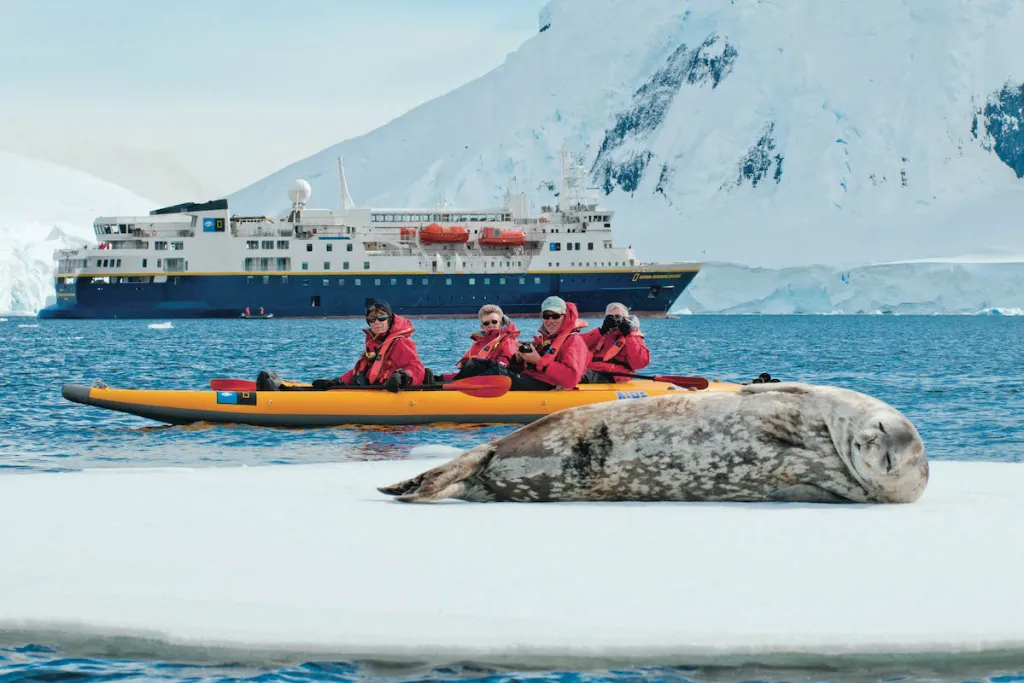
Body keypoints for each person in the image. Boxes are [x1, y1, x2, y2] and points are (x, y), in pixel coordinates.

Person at [337, 299, 425, 392]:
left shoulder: (400, 342)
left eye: (382, 318)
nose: (377, 323)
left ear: (389, 319)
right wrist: (339, 381)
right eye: (372, 320)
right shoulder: (373, 344)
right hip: (373, 393)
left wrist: (402, 376)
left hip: (393, 394)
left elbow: (416, 369)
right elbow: (360, 371)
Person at [506, 296, 588, 391]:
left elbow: (571, 379)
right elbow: (526, 369)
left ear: (564, 316)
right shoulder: (542, 340)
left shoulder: (574, 341)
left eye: (555, 316)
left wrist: (539, 361)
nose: (550, 320)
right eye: (546, 316)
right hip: (534, 379)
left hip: (549, 386)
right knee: (492, 368)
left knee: (500, 375)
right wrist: (518, 359)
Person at [441, 304, 521, 381]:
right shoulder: (478, 344)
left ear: (501, 323)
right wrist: (443, 377)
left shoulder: (508, 341)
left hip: (498, 380)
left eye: (494, 322)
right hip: (476, 379)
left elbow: (503, 366)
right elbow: (465, 370)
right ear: (482, 327)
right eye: (486, 323)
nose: (491, 325)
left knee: (474, 364)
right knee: (438, 378)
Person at [579, 302, 650, 384]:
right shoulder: (600, 334)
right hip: (593, 371)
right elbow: (576, 345)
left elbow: (640, 363)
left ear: (625, 319)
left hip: (615, 376)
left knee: (577, 376)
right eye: (610, 317)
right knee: (570, 373)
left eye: (617, 317)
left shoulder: (632, 337)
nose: (614, 320)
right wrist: (601, 331)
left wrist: (628, 335)